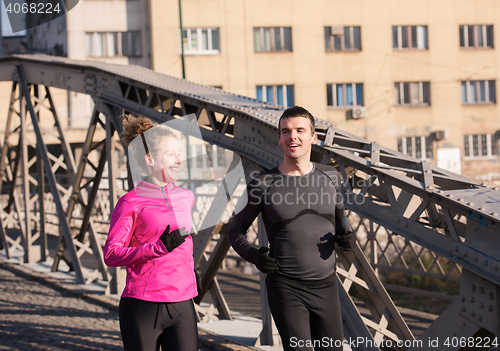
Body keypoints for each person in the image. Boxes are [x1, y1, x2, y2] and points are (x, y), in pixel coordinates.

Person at [227, 106, 355, 351]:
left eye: (299, 130)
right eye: (285, 131)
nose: (292, 136)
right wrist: (254, 256)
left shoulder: (331, 177)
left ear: (313, 137)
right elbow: (234, 230)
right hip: (286, 287)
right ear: (279, 139)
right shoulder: (263, 183)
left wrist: (349, 237)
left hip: (326, 285)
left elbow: (341, 220)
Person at [103, 115, 198, 351]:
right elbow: (111, 254)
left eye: (179, 153)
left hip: (182, 302)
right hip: (143, 304)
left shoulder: (186, 197)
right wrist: (157, 248)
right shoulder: (130, 202)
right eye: (170, 154)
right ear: (150, 159)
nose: (178, 160)